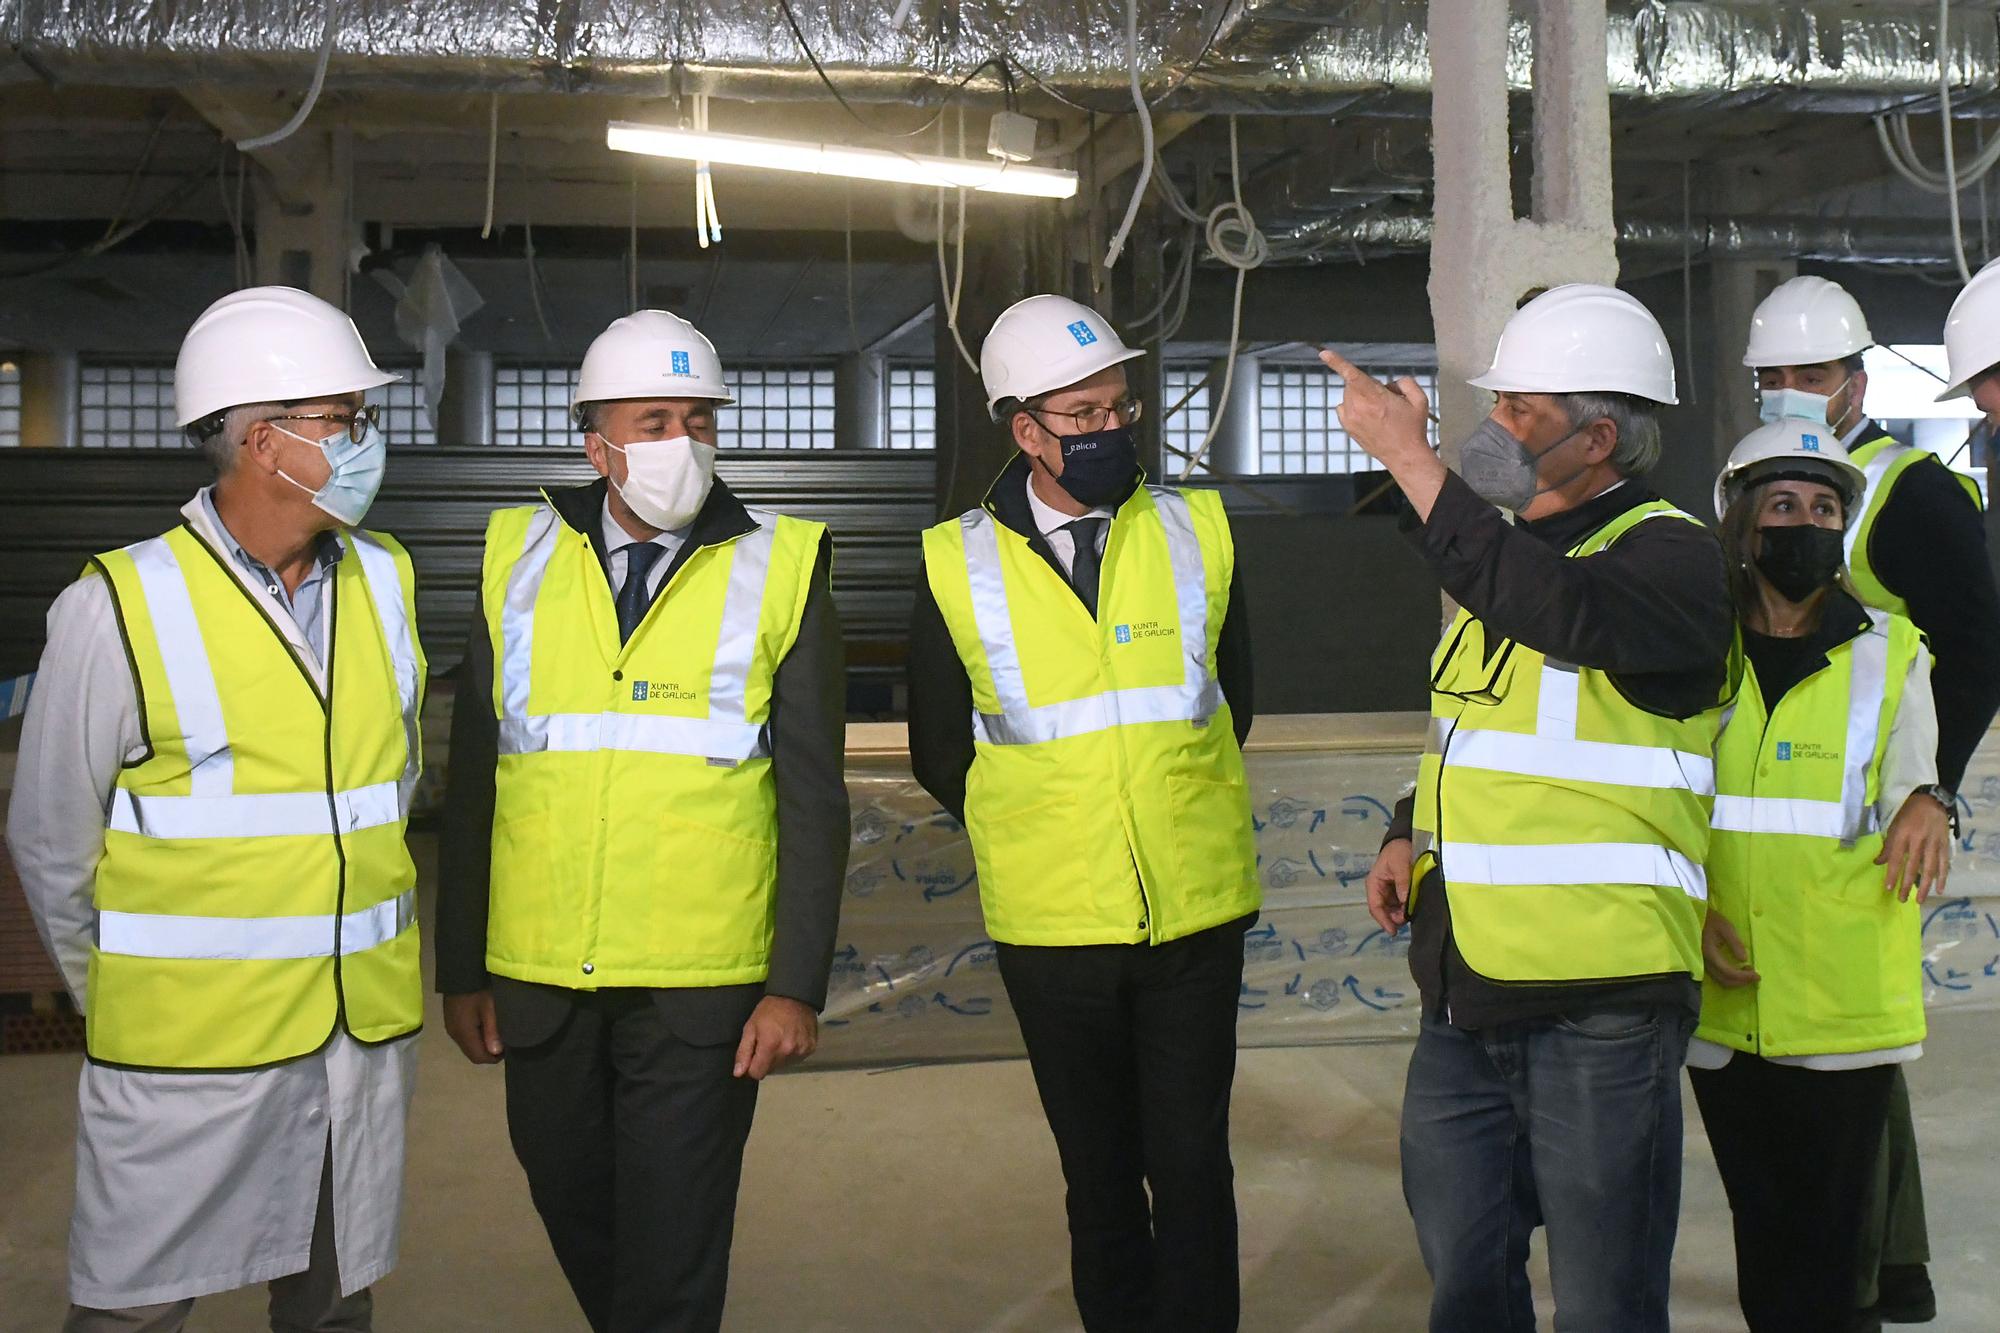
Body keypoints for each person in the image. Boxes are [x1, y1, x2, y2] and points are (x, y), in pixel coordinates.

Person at [8, 286, 426, 1331]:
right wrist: (138, 994)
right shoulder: (115, 606)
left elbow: (391, 785)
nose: (365, 443)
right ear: (265, 441)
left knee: (333, 1308)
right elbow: (53, 842)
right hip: (186, 1062)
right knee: (133, 1312)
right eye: (345, 420)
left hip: (351, 1036)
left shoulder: (384, 580)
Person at [435, 309, 848, 1333]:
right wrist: (460, 968)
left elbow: (811, 798)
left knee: (672, 1253)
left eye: (700, 420)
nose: (682, 443)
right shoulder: (512, 558)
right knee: (575, 1209)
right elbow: (475, 779)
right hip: (539, 977)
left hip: (699, 989)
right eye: (654, 419)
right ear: (596, 443)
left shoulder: (781, 566)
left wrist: (793, 985)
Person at [1330, 284, 1733, 1333]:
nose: (1491, 427)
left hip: (1597, 999)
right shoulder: (1506, 562)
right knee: (1464, 1283)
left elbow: (1563, 616)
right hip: (1464, 989)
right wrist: (1406, 825)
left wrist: (1408, 460)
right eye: (1497, 402)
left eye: (1520, 410)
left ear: (1595, 437)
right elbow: (1475, 724)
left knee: (1602, 1301)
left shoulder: (1671, 557)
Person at [907, 293, 1259, 1332]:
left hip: (1193, 911)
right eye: (1082, 416)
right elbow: (940, 750)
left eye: (1118, 409)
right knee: (1099, 1172)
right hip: (1053, 924)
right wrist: (1052, 827)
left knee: (1192, 1166)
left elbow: (1232, 702)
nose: (1108, 431)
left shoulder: (1197, 528)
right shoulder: (952, 561)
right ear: (1024, 430)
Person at [1745, 274, 2000, 1324]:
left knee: (1851, 1054)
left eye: (1813, 376)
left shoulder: (1909, 491)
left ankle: (1871, 1269)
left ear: (1855, 381)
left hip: (1876, 804)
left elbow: (1975, 653)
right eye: (1775, 379)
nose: (1794, 394)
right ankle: (1890, 1264)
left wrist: (1931, 788)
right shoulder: (1754, 480)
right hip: (1787, 807)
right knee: (1838, 1060)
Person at [1691, 417, 1951, 1333]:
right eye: (1784, 504)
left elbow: (1915, 777)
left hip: (1842, 997)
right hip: (1722, 997)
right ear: (1742, 522)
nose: (1804, 522)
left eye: (1824, 506)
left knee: (1837, 1244)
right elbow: (1661, 800)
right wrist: (1690, 913)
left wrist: (1930, 799)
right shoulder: (1695, 647)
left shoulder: (1889, 649)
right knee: (1762, 1227)